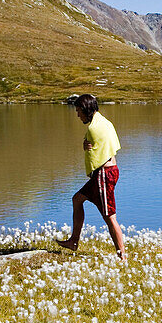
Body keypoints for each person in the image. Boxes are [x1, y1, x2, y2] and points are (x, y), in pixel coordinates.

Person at [56, 94, 126, 261]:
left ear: (86, 110)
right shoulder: (105, 122)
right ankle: (73, 241)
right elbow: (108, 145)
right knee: (77, 199)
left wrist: (87, 146)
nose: (78, 115)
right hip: (108, 172)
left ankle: (122, 256)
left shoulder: (94, 128)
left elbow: (95, 152)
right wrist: (87, 145)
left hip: (103, 175)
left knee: (109, 216)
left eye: (79, 111)